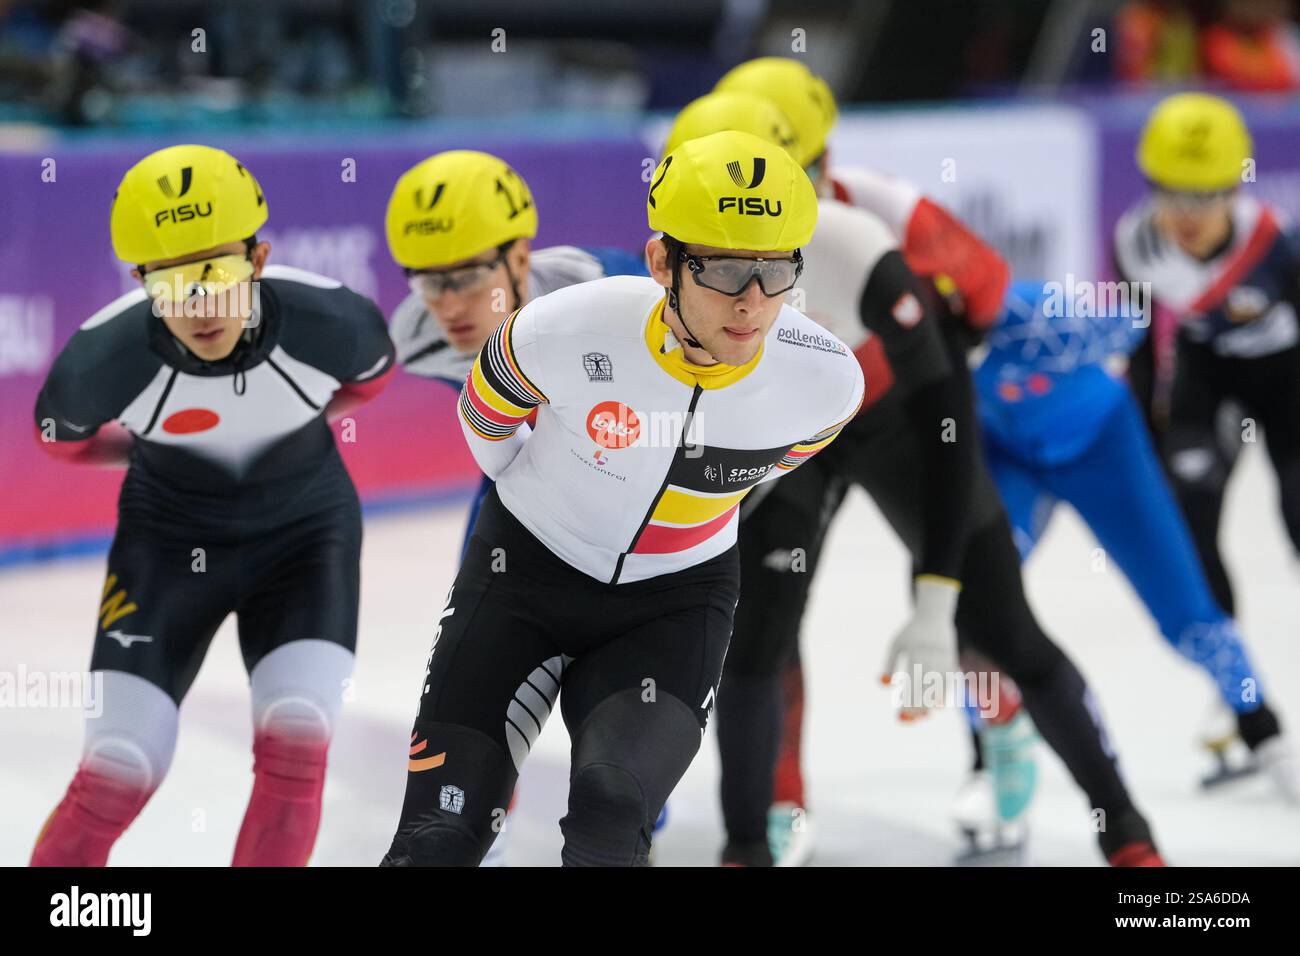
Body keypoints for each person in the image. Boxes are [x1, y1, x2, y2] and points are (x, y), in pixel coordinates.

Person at [704, 61, 1164, 867]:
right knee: (759, 634)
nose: (776, 214)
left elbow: (977, 311)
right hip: (802, 426)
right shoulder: (716, 247)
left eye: (801, 177)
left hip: (900, 414)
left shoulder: (882, 221)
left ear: (826, 167)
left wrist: (934, 598)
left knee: (1000, 624)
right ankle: (762, 829)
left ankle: (1124, 828)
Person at [380, 129, 864, 866]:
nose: (754, 302)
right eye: (727, 272)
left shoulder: (827, 381)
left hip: (673, 607)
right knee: (438, 839)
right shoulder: (567, 325)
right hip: (522, 577)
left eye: (776, 271)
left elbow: (785, 460)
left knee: (611, 820)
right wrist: (527, 491)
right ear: (662, 261)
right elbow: (484, 413)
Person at [30, 144, 396, 866]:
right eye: (172, 287)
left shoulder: (336, 322)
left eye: (219, 276)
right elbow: (59, 443)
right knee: (115, 772)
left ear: (258, 259)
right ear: (137, 282)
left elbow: (366, 387)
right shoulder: (95, 365)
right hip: (165, 547)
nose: (201, 308)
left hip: (305, 539)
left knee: (296, 743)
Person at [383, 149, 652, 864]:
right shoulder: (416, 336)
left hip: (632, 474)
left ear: (521, 256)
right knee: (479, 647)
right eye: (428, 281)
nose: (448, 305)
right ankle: (481, 826)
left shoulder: (612, 289)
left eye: (467, 277)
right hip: (523, 474)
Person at [964, 281, 1297, 832]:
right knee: (977, 603)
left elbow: (1132, 319)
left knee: (1185, 610)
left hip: (1103, 447)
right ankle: (987, 760)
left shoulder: (1033, 315)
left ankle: (1263, 728)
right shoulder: (915, 339)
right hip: (1009, 454)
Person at [1117, 93, 1300, 625]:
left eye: (1206, 195)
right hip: (1209, 373)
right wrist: (1150, 437)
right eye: (1172, 193)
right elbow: (1143, 347)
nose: (1188, 213)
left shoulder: (1276, 241)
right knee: (1188, 514)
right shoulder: (1134, 242)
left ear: (1235, 186)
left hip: (1288, 377)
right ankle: (1236, 681)